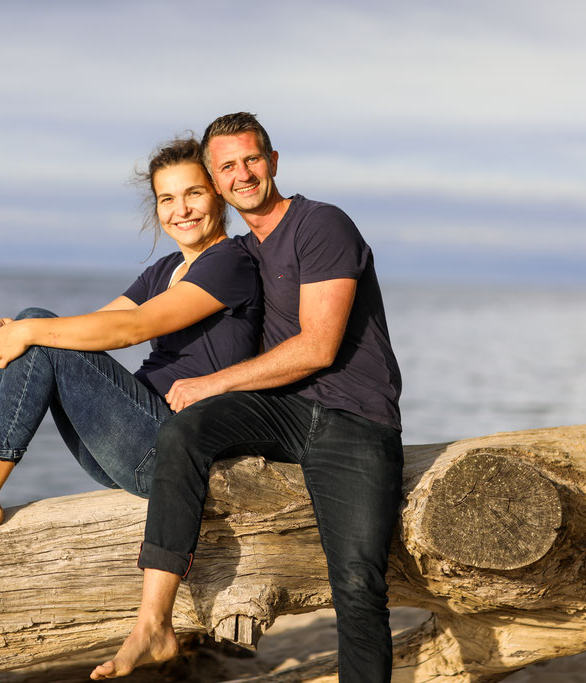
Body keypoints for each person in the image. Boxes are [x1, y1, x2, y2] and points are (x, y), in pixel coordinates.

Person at [93, 113, 403, 682]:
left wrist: (212, 382)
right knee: (184, 431)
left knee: (358, 585)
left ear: (274, 162)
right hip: (284, 412)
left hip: (352, 419)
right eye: (228, 166)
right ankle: (154, 621)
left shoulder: (321, 225)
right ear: (215, 179)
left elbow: (318, 347)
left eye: (252, 160)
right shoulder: (243, 253)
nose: (243, 174)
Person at [0, 136, 263, 549]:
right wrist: (16, 329)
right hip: (127, 444)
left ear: (218, 196)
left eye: (194, 193)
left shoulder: (229, 263)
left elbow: (132, 328)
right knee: (36, 325)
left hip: (171, 455)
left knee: (38, 330)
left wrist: (30, 331)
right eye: (167, 199)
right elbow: (98, 322)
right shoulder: (167, 269)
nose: (181, 210)